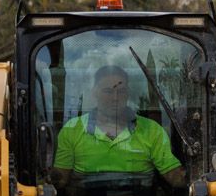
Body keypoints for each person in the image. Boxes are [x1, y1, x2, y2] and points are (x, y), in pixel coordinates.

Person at [52, 64, 185, 189]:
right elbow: (60, 181)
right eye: (108, 91)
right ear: (94, 93)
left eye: (121, 91)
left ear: (128, 94)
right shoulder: (72, 129)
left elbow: (175, 177)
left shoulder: (152, 130)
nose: (115, 98)